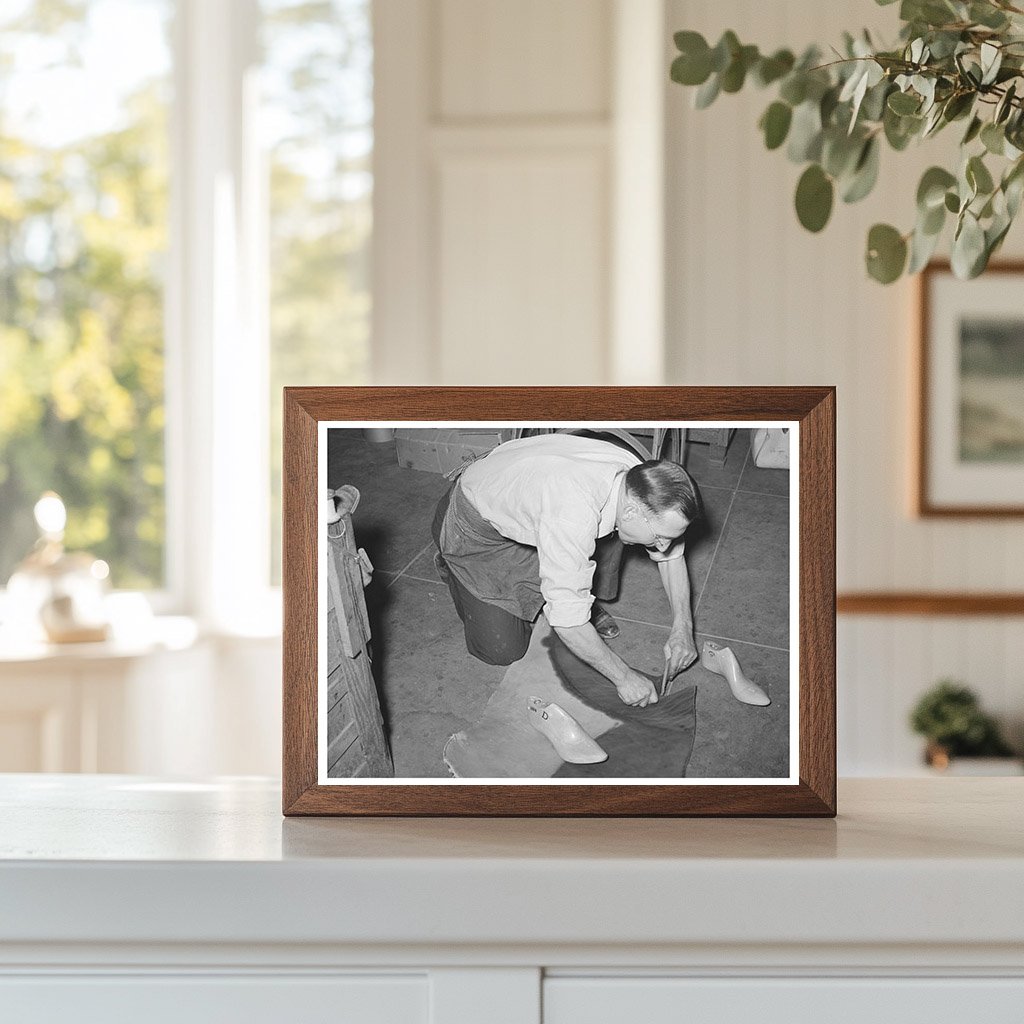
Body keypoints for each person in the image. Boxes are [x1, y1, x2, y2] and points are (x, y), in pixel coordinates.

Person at [431, 432, 703, 708]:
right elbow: (568, 623)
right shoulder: (572, 515)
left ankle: (571, 587)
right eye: (661, 537)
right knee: (502, 649)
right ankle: (450, 564)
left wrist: (683, 627)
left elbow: (670, 557)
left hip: (531, 502)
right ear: (632, 511)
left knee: (616, 540)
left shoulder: (640, 480)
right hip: (475, 530)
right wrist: (624, 678)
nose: (664, 545)